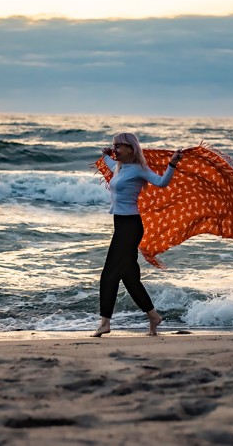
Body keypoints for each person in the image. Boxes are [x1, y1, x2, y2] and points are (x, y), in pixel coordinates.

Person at [92, 132, 183, 337]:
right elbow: (106, 158)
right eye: (114, 146)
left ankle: (105, 322)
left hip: (130, 227)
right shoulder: (120, 166)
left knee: (109, 275)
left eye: (118, 146)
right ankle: (153, 316)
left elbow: (161, 183)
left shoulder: (139, 169)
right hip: (120, 224)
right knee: (129, 277)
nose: (115, 149)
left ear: (131, 148)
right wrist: (107, 151)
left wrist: (172, 164)